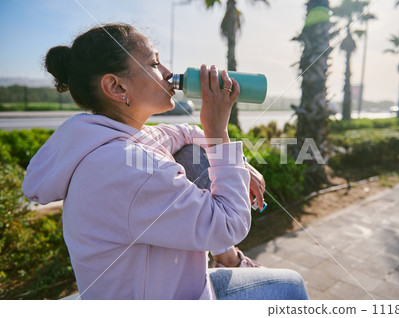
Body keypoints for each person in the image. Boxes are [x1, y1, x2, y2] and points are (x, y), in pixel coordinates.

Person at [22, 23, 308, 300]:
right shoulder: (124, 166)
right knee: (290, 286)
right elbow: (229, 224)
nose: (169, 73)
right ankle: (230, 260)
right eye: (154, 64)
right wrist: (219, 132)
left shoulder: (112, 138)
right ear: (116, 86)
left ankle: (228, 259)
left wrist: (239, 163)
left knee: (190, 150)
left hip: (173, 290)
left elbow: (185, 132)